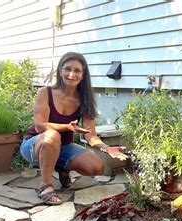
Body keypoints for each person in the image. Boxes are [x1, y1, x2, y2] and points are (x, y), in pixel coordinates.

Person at [20, 52, 128, 205]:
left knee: (96, 167)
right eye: (67, 69)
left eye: (77, 70)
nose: (71, 74)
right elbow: (39, 126)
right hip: (34, 145)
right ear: (60, 71)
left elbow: (91, 135)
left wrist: (106, 148)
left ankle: (62, 168)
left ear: (83, 74)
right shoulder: (45, 92)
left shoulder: (84, 99)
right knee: (52, 135)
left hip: (63, 147)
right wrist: (66, 127)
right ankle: (46, 186)